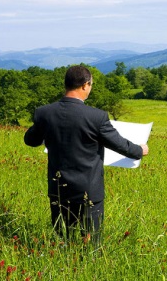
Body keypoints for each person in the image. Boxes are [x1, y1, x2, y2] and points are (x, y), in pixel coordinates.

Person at [24, 65, 148, 247]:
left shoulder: (44, 113)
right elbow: (119, 144)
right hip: (89, 190)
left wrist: (49, 133)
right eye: (90, 85)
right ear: (85, 85)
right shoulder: (96, 117)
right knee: (91, 242)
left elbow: (30, 140)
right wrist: (140, 150)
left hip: (58, 188)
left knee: (62, 239)